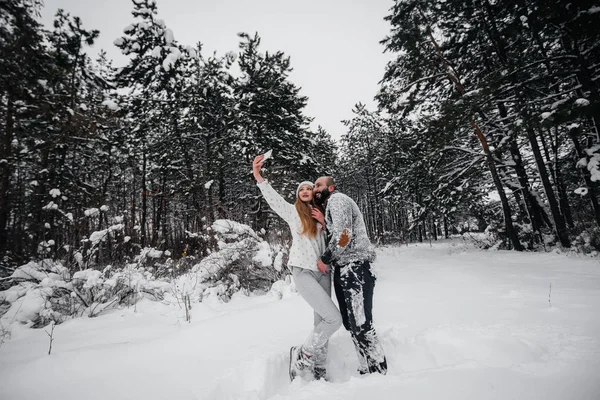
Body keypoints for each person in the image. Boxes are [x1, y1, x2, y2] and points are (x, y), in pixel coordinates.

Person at [252, 154, 342, 381]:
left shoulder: (321, 215)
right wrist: (258, 175)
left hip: (324, 272)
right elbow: (273, 199)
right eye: (301, 189)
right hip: (302, 271)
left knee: (321, 322)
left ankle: (319, 370)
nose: (304, 191)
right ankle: (303, 354)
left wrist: (323, 221)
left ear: (314, 193)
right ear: (297, 195)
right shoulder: (293, 213)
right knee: (334, 319)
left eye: (308, 188)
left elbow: (338, 238)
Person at [313, 176, 388, 375]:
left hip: (356, 266)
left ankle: (379, 373)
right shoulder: (331, 207)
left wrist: (325, 258)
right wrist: (324, 222)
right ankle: (366, 368)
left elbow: (344, 235)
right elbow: (341, 231)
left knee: (361, 324)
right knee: (351, 324)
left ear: (331, 187)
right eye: (314, 186)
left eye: (319, 185)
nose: (315, 188)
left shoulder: (338, 200)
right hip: (344, 267)